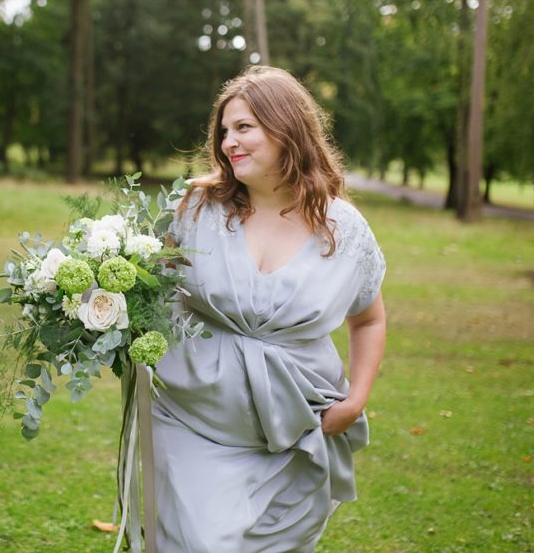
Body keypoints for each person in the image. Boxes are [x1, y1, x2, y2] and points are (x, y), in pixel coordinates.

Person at [153, 65, 387, 552]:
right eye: (224, 132)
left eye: (243, 128)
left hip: (296, 433)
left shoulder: (344, 229)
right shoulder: (195, 208)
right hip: (192, 421)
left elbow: (369, 318)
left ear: (286, 129)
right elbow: (144, 287)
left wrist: (357, 399)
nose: (228, 143)